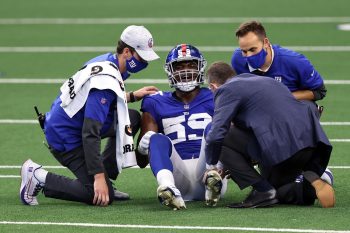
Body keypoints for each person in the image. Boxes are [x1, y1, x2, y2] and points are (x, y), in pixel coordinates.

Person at [20, 25, 160, 206]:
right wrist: (98, 176)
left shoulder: (108, 61)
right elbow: (90, 132)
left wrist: (131, 96)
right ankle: (38, 176)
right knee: (102, 196)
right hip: (66, 138)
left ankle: (105, 179)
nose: (144, 62)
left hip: (67, 123)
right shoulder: (106, 80)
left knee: (130, 118)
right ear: (127, 51)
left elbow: (94, 100)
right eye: (142, 57)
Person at [205, 61, 335, 208]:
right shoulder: (266, 80)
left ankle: (262, 191)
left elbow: (216, 135)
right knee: (276, 191)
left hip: (281, 150)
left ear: (213, 87)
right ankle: (306, 190)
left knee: (223, 139)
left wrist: (212, 167)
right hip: (312, 147)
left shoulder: (226, 90)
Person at [136, 44, 226, 210]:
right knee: (155, 138)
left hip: (208, 169)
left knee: (215, 127)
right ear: (170, 71)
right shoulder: (155, 102)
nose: (185, 72)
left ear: (200, 67)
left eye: (191, 65)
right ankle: (167, 188)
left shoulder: (216, 96)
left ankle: (213, 179)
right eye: (179, 67)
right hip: (178, 176)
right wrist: (142, 149)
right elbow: (141, 162)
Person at [231, 20, 326, 118]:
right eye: (244, 51)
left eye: (252, 49)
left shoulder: (295, 62)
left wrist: (280, 97)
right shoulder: (238, 60)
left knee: (307, 108)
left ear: (266, 43)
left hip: (289, 109)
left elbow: (319, 92)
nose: (249, 56)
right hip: (258, 111)